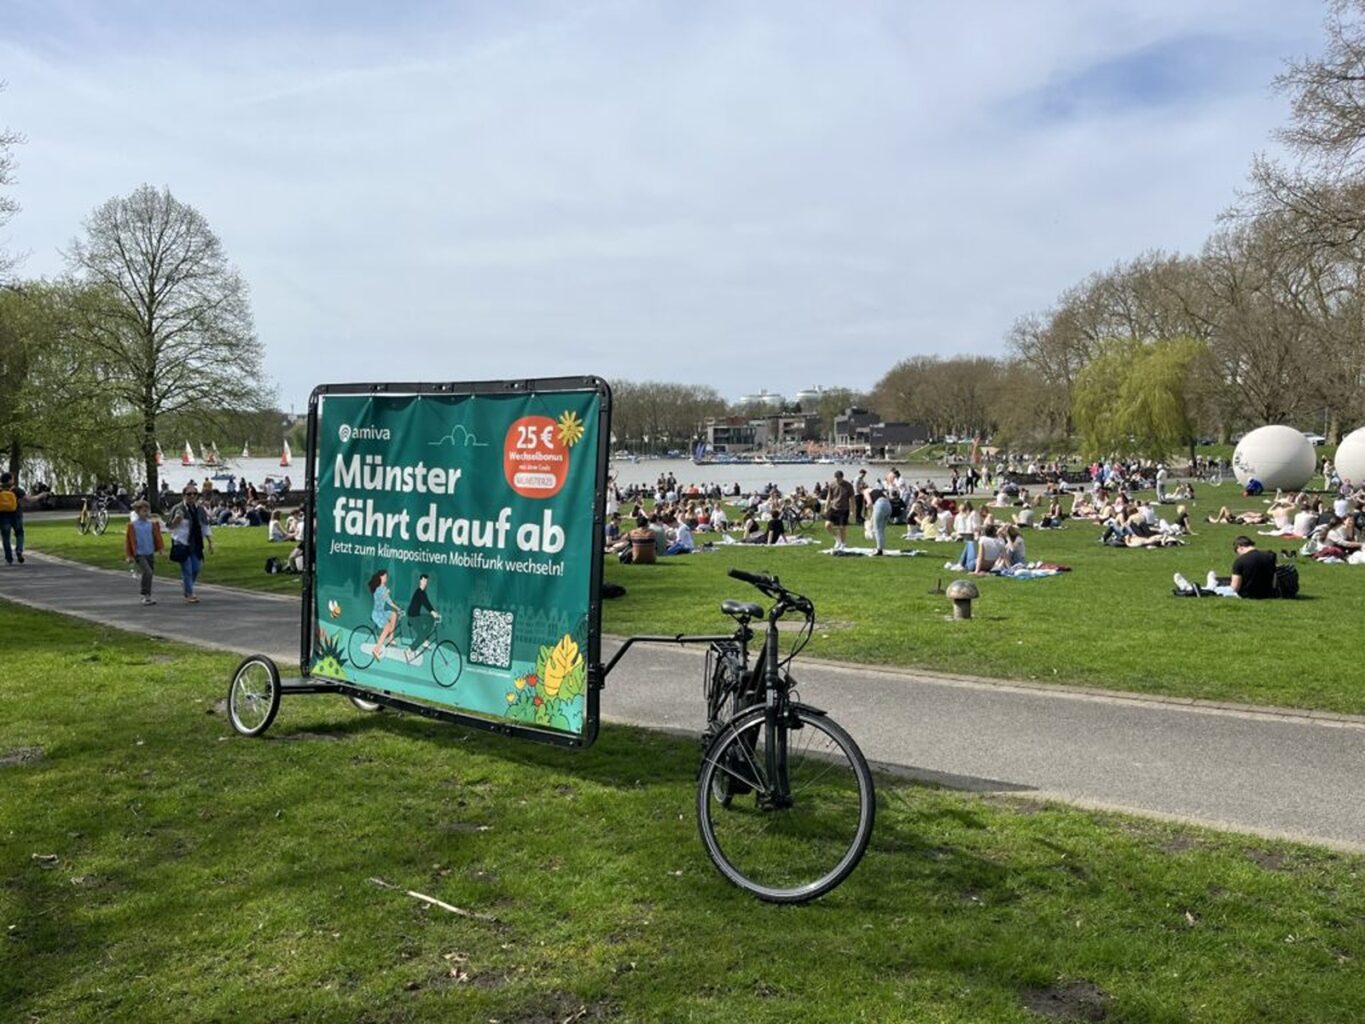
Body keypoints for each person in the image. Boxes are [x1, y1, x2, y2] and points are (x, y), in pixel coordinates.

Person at [1174, 536, 1277, 599]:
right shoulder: (1269, 557)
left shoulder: (1240, 561)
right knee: (1220, 584)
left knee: (1217, 590)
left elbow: (1234, 588)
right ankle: (1210, 584)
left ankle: (1188, 587)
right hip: (1266, 593)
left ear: (1240, 547)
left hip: (1247, 595)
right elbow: (1274, 581)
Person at [167, 484, 215, 603]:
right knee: (187, 569)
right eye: (189, 494)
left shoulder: (200, 510)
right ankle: (190, 593)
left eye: (194, 494)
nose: (192, 496)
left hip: (196, 543)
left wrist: (210, 542)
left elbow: (204, 526)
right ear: (184, 495)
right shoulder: (178, 509)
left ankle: (187, 586)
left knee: (196, 568)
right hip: (181, 543)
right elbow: (169, 527)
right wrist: (176, 521)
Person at [123, 499, 165, 604]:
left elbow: (157, 538)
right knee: (148, 572)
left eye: (148, 511)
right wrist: (129, 555)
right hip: (139, 554)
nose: (146, 513)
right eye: (144, 511)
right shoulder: (132, 526)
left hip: (149, 552)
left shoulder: (152, 525)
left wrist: (161, 549)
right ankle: (144, 594)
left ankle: (148, 595)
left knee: (149, 574)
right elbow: (128, 542)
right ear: (138, 512)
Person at [367, 569, 403, 659]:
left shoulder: (385, 589)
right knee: (387, 627)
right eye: (385, 576)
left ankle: (391, 639)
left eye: (387, 577)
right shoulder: (377, 589)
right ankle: (376, 650)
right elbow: (380, 600)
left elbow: (389, 602)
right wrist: (386, 594)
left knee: (394, 614)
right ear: (381, 577)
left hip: (382, 613)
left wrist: (399, 609)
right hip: (376, 614)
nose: (386, 578)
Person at [406, 573, 441, 659]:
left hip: (417, 616)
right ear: (420, 581)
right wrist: (432, 612)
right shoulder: (419, 592)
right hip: (412, 618)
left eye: (426, 581)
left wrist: (433, 613)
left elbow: (427, 602)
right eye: (424, 581)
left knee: (430, 619)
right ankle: (409, 650)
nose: (425, 583)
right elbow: (425, 603)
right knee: (421, 636)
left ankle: (424, 641)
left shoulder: (423, 593)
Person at [824, 470, 854, 552]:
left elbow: (852, 499)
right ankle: (837, 539)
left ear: (842, 477)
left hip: (844, 509)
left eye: (839, 478)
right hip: (834, 508)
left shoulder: (848, 486)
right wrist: (826, 507)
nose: (838, 480)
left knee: (842, 528)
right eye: (836, 478)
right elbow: (829, 496)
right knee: (827, 525)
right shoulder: (832, 485)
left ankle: (843, 543)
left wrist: (852, 511)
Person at [0, 471, 24, 566]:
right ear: (9, 480)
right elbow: (29, 499)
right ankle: (19, 550)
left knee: (6, 537)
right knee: (19, 533)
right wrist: (41, 496)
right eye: (12, 478)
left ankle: (9, 558)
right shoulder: (16, 490)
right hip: (16, 515)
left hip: (2, 517)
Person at [869, 487, 892, 555]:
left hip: (880, 505)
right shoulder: (876, 491)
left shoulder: (865, 491)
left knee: (877, 529)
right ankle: (881, 547)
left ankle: (879, 549)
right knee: (881, 530)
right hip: (888, 505)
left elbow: (869, 503)